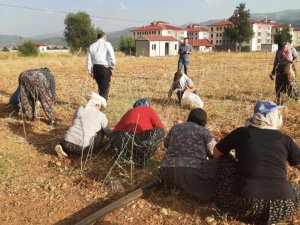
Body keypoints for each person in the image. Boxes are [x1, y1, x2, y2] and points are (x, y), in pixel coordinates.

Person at [213, 100, 300, 225]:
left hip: (245, 204)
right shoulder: (285, 139)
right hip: (283, 207)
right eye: (278, 114)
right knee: (294, 187)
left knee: (225, 160)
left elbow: (216, 153)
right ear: (272, 117)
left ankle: (223, 201)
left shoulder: (242, 133)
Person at [160, 108, 218, 200]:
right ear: (203, 122)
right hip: (192, 173)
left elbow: (166, 144)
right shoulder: (204, 132)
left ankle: (174, 187)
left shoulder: (175, 127)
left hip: (167, 170)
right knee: (221, 164)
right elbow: (216, 153)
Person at [55, 92, 112, 158]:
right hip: (83, 148)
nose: (100, 108)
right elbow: (108, 132)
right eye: (100, 106)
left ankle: (64, 150)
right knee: (102, 130)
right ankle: (88, 153)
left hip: (66, 142)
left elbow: (73, 122)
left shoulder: (80, 109)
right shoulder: (101, 115)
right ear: (97, 105)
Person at [111, 99, 165, 167]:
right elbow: (161, 127)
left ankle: (126, 157)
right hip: (134, 140)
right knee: (161, 132)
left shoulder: (129, 111)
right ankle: (141, 160)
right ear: (147, 105)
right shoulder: (148, 109)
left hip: (116, 141)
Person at [86, 31, 116, 101]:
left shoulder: (92, 46)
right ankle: (102, 105)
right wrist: (112, 67)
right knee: (105, 88)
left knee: (100, 87)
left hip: (95, 68)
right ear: (104, 37)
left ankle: (99, 103)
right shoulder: (107, 44)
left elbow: (88, 59)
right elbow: (112, 56)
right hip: (104, 68)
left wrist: (90, 71)